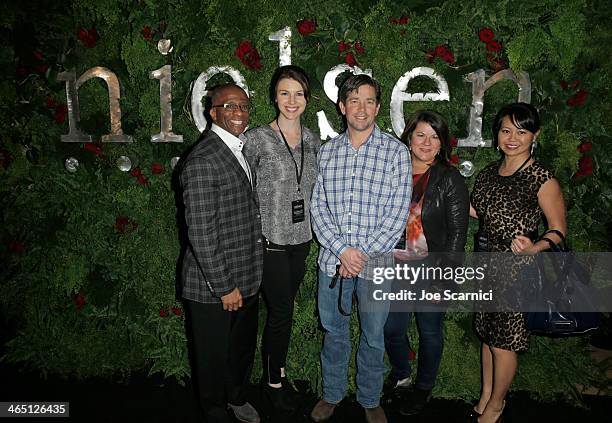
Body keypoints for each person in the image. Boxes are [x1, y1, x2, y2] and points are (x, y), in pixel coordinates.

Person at [310, 74, 412, 423]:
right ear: (342, 107)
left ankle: (370, 398)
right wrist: (342, 251)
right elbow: (317, 208)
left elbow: (396, 216)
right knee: (334, 333)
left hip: (376, 265)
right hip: (332, 264)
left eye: (369, 101)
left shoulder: (397, 153)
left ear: (378, 107)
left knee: (373, 336)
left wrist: (358, 256)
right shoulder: (327, 153)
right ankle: (332, 394)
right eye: (354, 100)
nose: (361, 108)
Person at [469, 102, 567, 423]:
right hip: (486, 264)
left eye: (521, 131)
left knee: (504, 343)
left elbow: (558, 230)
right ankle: (486, 394)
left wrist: (534, 247)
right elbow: (475, 211)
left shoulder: (541, 177)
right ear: (497, 135)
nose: (512, 137)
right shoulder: (487, 174)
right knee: (487, 335)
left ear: (534, 136)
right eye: (506, 130)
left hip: (516, 270)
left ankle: (497, 404)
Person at [179, 84, 263, 423]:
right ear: (213, 112)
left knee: (239, 350)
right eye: (230, 106)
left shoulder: (237, 148)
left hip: (247, 275)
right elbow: (201, 233)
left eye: (244, 105)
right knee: (212, 357)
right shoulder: (202, 160)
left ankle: (237, 397)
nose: (239, 112)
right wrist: (224, 286)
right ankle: (214, 411)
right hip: (214, 286)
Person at [243, 65, 319, 411]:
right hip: (268, 241)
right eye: (285, 93)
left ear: (306, 98)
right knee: (282, 312)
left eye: (299, 94)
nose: (292, 101)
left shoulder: (312, 139)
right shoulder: (257, 138)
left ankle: (273, 376)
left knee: (282, 312)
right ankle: (274, 383)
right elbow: (240, 188)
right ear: (274, 96)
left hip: (300, 241)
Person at [383, 110, 469, 415]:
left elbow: (458, 232)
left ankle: (424, 387)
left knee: (430, 329)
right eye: (420, 135)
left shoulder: (449, 178)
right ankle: (402, 372)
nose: (427, 142)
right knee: (392, 329)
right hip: (395, 265)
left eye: (434, 137)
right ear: (408, 137)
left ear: (442, 143)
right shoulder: (392, 170)